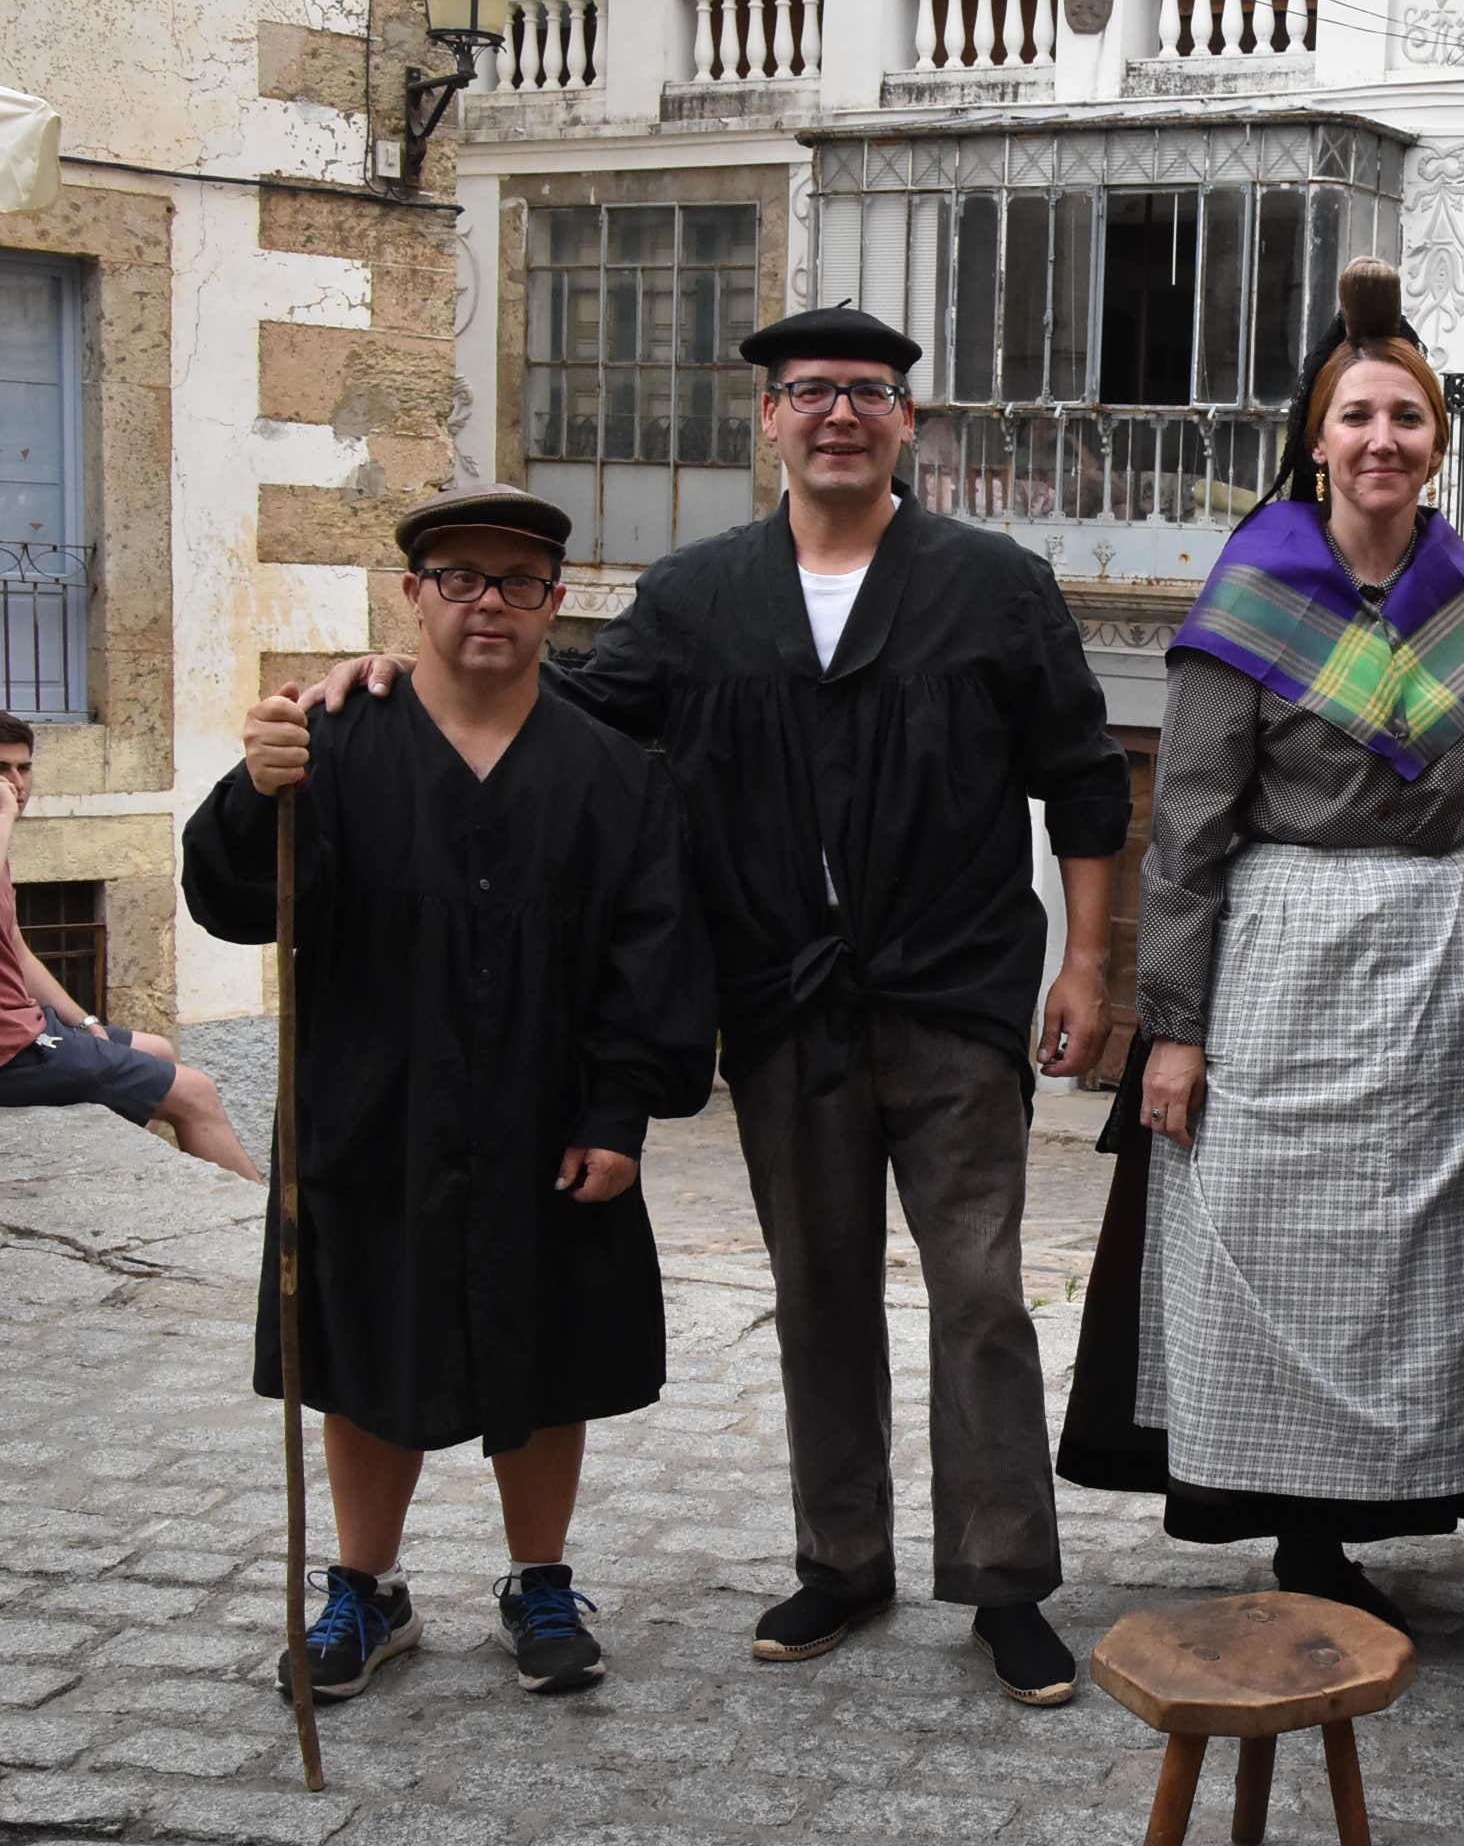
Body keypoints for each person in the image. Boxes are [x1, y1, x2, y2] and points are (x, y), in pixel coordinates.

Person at [311, 308, 1131, 1703]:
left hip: (953, 995)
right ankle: (843, 1560)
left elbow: (1085, 776)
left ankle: (1004, 1580)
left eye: (867, 392)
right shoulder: (697, 597)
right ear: (768, 419)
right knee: (818, 1291)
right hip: (779, 1000)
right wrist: (391, 678)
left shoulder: (994, 584)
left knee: (982, 1292)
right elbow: (562, 710)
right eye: (808, 392)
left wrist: (1091, 962)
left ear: (906, 421)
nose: (837, 414)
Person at [1054, 259, 1464, 1629]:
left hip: (1451, 958)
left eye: (1407, 417)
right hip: (1283, 956)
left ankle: (1434, 1489)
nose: (1382, 439)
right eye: (1357, 416)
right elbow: (1186, 828)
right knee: (1290, 1248)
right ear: (1317, 442)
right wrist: (1173, 1027)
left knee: (1436, 1252)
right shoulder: (1249, 604)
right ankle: (1305, 1530)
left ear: (1436, 442)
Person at [184, 484, 716, 1701]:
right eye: (461, 577)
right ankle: (365, 1588)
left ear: (554, 601)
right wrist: (253, 790)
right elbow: (232, 899)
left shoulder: (614, 772)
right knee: (366, 1345)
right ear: (413, 594)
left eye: (518, 581)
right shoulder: (330, 743)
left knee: (549, 1348)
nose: (490, 602)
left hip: (547, 1114)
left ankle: (541, 1580)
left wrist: (618, 1111)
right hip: (372, 1109)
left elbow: (651, 953)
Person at [0, 712, 257, 1180]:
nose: (16, 785)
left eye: (24, 768)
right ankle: (266, 1224)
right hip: (10, 1053)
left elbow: (14, 945)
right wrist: (1, 819)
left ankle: (141, 1178)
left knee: (158, 1049)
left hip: (28, 1027)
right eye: (1, 770)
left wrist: (85, 1020)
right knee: (196, 1093)